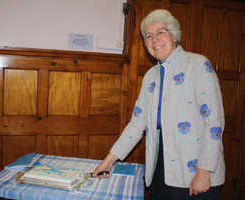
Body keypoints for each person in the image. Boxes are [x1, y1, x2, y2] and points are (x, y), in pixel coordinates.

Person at [92, 9, 225, 200]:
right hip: (161, 164)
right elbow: (136, 124)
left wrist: (204, 172)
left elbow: (214, 123)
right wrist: (109, 161)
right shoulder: (150, 76)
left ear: (174, 36)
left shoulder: (198, 65)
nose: (154, 39)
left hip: (196, 166)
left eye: (161, 32)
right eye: (149, 35)